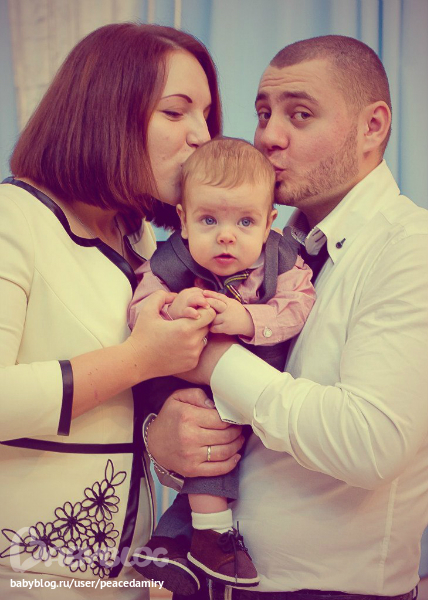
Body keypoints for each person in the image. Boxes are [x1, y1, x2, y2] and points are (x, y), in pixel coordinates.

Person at [146, 35, 428, 600]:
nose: (269, 136)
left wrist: (213, 360)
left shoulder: (411, 250)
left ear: (372, 127)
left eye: (299, 114)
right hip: (206, 580)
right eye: (263, 114)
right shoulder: (260, 246)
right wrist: (168, 445)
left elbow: (371, 444)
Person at [0, 22, 245, 600]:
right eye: (176, 112)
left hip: (128, 571)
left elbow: (117, 417)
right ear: (105, 111)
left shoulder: (137, 239)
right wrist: (140, 359)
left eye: (206, 115)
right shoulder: (14, 217)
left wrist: (163, 440)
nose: (201, 136)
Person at [128, 137, 315, 593]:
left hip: (257, 381)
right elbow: (138, 310)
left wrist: (250, 319)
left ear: (269, 222)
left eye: (245, 221)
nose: (226, 235)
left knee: (242, 457)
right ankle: (212, 539)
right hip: (187, 385)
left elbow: (300, 303)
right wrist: (171, 307)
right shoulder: (169, 261)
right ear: (184, 220)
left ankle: (174, 544)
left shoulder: (283, 260)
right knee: (211, 440)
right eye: (209, 220)